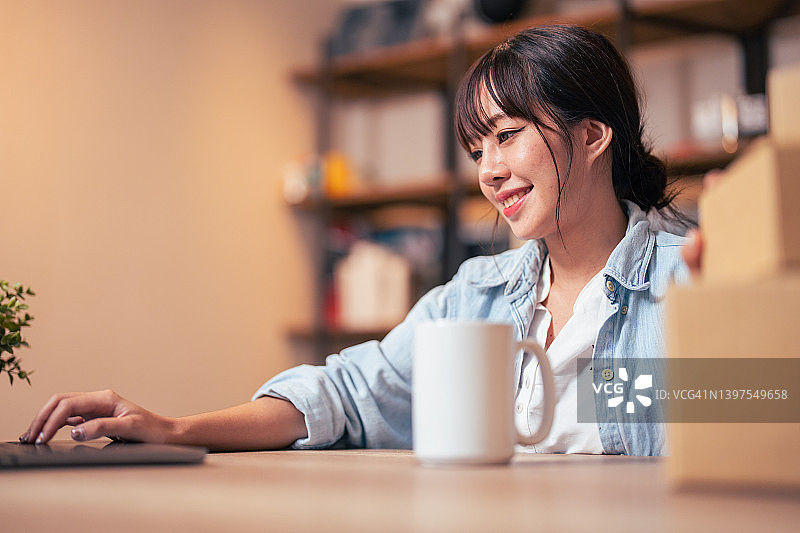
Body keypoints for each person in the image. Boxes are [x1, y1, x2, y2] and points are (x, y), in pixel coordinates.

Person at [21, 24, 703, 455]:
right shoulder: (476, 295)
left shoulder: (690, 280)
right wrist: (174, 430)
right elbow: (346, 393)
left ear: (592, 135)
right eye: (476, 149)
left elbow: (753, 407)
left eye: (507, 135)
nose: (489, 171)